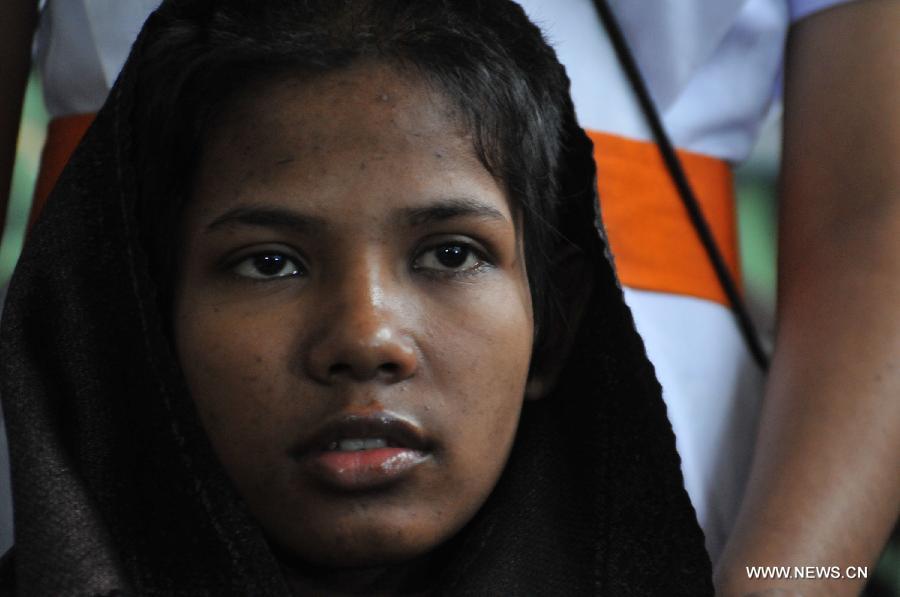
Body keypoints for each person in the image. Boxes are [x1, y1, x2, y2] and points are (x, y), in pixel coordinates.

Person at [1, 1, 898, 594]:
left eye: (451, 253)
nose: (368, 335)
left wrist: (787, 583)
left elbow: (878, 214)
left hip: (691, 477)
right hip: (117, 456)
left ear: (560, 316)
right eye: (274, 262)